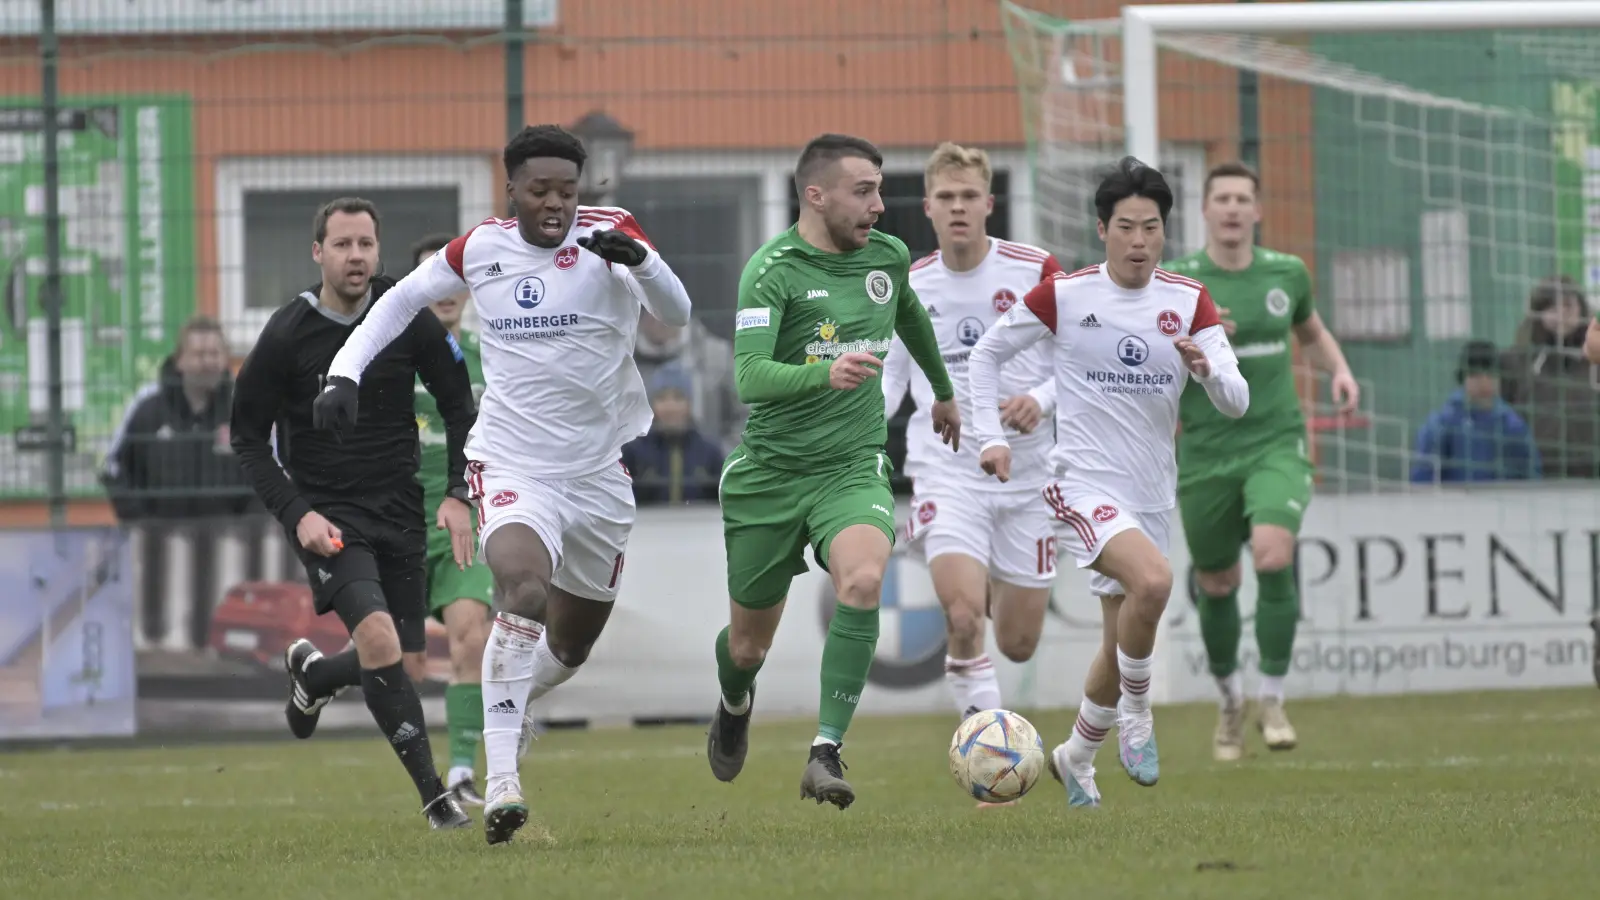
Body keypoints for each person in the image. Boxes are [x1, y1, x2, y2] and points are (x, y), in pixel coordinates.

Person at [319, 125, 692, 845]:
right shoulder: (482, 247)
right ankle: (501, 785)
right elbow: (397, 303)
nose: (556, 204)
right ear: (512, 189)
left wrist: (642, 264)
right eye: (541, 190)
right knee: (521, 593)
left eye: (568, 191)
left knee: (571, 647)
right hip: (513, 465)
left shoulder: (613, 234)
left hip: (597, 476)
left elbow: (675, 313)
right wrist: (344, 371)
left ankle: (513, 707)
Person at [966, 156, 1248, 808]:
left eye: (1152, 227)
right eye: (1127, 226)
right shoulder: (1066, 294)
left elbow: (1237, 399)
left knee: (1119, 638)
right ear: (1103, 229)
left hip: (1151, 493)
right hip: (1080, 482)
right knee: (1153, 582)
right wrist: (991, 437)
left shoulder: (1188, 299)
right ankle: (1139, 716)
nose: (1141, 241)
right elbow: (987, 354)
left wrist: (1207, 370)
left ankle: (1075, 756)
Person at [706, 133, 960, 810]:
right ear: (815, 196)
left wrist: (943, 389)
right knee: (748, 645)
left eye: (879, 188)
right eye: (863, 191)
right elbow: (751, 377)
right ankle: (734, 701)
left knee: (865, 578)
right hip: (771, 476)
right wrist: (827, 371)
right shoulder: (772, 269)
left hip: (852, 466)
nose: (878, 204)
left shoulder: (888, 256)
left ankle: (825, 750)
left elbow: (907, 312)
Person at [229, 197, 477, 830]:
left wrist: (457, 492)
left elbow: (458, 406)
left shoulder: (406, 317)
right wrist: (297, 514)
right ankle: (435, 801)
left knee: (407, 665)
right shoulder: (287, 333)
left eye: (366, 244)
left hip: (402, 511)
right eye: (342, 245)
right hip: (331, 518)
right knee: (379, 639)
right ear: (318, 254)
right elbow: (248, 438)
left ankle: (314, 674)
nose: (356, 256)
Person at [1164, 162, 1358, 761]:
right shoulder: (1179, 283)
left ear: (1257, 210)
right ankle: (1230, 702)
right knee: (1217, 580)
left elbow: (1311, 331)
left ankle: (1272, 697)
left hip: (1276, 439)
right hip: (1205, 451)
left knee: (1275, 552)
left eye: (1241, 198)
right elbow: (1146, 360)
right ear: (1205, 209)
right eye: (1220, 197)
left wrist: (1341, 370)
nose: (1230, 208)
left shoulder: (1286, 273)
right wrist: (1195, 343)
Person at [880, 142, 1061, 734]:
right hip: (948, 470)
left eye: (968, 197)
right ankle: (989, 750)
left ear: (989, 203)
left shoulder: (1035, 271)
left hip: (1028, 475)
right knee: (962, 617)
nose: (958, 208)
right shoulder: (906, 286)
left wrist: (1039, 400)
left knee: (1018, 642)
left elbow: (1078, 361)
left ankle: (991, 594)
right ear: (928, 207)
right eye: (945, 198)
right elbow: (888, 385)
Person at [407, 233, 495, 806]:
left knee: (471, 639)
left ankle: (462, 770)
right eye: (433, 279)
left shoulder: (494, 357)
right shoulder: (389, 356)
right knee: (389, 657)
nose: (447, 290)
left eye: (454, 278)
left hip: (464, 522)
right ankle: (316, 678)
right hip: (398, 525)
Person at [1410, 340, 1540, 483]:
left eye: (1490, 375)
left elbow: (1531, 478)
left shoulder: (1513, 427)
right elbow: (1423, 478)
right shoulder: (1440, 426)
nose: (1484, 383)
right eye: (1475, 375)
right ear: (1462, 378)